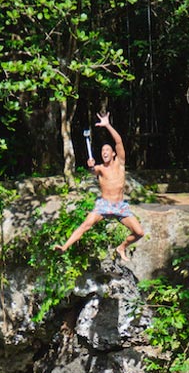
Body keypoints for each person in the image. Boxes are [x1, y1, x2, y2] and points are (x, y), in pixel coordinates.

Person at [53, 112, 144, 262]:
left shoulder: (120, 164)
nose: (104, 153)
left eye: (107, 150)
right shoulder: (100, 168)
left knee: (139, 232)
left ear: (114, 153)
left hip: (120, 206)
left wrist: (107, 125)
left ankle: (121, 247)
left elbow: (119, 141)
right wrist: (90, 166)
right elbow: (93, 170)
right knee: (85, 225)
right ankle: (64, 247)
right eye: (102, 151)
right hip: (104, 205)